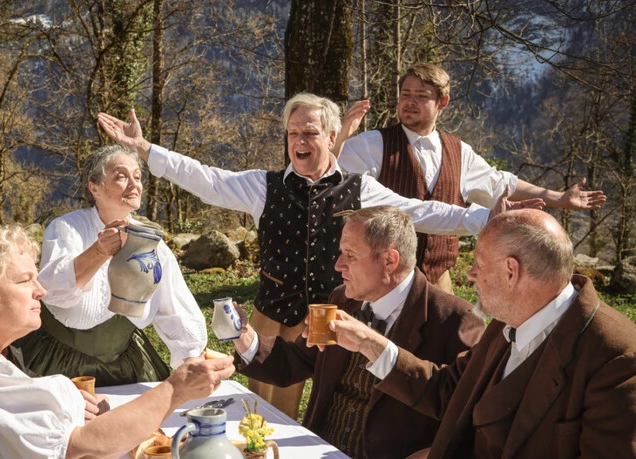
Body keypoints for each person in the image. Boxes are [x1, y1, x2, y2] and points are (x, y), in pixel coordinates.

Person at [97, 94, 542, 418]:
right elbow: (205, 178)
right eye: (293, 133)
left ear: (332, 136)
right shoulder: (262, 186)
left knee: (334, 405)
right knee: (266, 414)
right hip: (273, 315)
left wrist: (483, 219)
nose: (299, 141)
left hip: (334, 313)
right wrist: (145, 150)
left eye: (309, 132)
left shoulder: (361, 188)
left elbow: (422, 212)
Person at [0, 218, 235, 458]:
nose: (40, 290)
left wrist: (67, 406)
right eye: (24, 281)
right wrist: (176, 389)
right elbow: (82, 447)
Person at [327, 209, 636, 458]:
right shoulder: (505, 323)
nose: (471, 274)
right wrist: (370, 343)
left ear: (511, 272)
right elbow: (449, 390)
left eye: (478, 263)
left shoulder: (617, 357)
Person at [231, 206, 485, 458]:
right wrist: (243, 336)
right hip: (317, 449)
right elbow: (296, 361)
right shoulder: (343, 299)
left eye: (350, 255)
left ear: (389, 261)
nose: (338, 265)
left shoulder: (456, 319)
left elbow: (467, 412)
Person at [333, 63, 606, 293]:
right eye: (406, 95)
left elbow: (500, 184)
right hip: (382, 277)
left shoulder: (459, 152)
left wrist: (558, 197)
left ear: (443, 102)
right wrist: (341, 136)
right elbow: (330, 176)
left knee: (447, 350)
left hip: (439, 277)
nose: (410, 102)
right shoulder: (372, 144)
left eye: (421, 96)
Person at [16, 145, 207, 385]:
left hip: (127, 363)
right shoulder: (67, 228)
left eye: (137, 177)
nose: (134, 184)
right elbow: (52, 290)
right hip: (57, 363)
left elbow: (175, 306)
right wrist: (98, 251)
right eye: (121, 176)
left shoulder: (152, 244)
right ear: (94, 188)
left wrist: (191, 357)